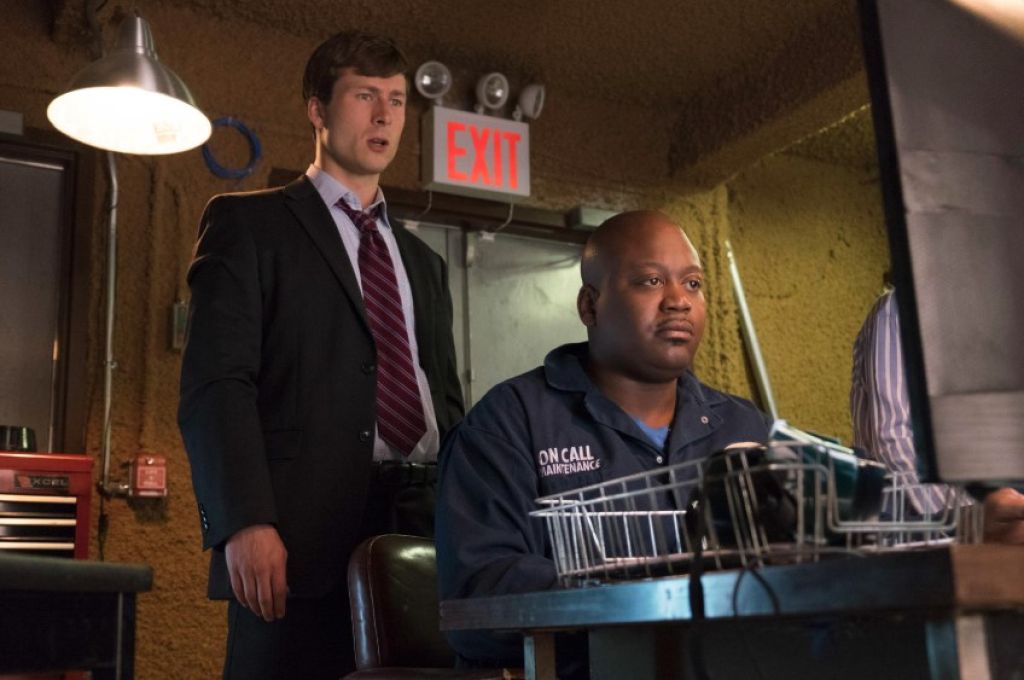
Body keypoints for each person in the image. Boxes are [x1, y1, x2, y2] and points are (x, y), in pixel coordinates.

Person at [178, 30, 463, 680]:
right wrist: (244, 522)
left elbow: (446, 403)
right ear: (317, 109)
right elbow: (216, 386)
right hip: (295, 537)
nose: (385, 115)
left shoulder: (425, 263)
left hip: (422, 527)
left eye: (396, 100)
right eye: (365, 96)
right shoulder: (250, 226)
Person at [435, 211, 773, 674]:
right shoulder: (509, 423)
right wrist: (648, 594)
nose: (678, 301)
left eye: (693, 284)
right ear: (589, 306)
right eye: (651, 281)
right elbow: (479, 596)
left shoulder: (744, 426)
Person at [851, 288, 1024, 543]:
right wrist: (958, 520)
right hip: (907, 527)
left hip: (982, 516)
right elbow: (892, 435)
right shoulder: (899, 310)